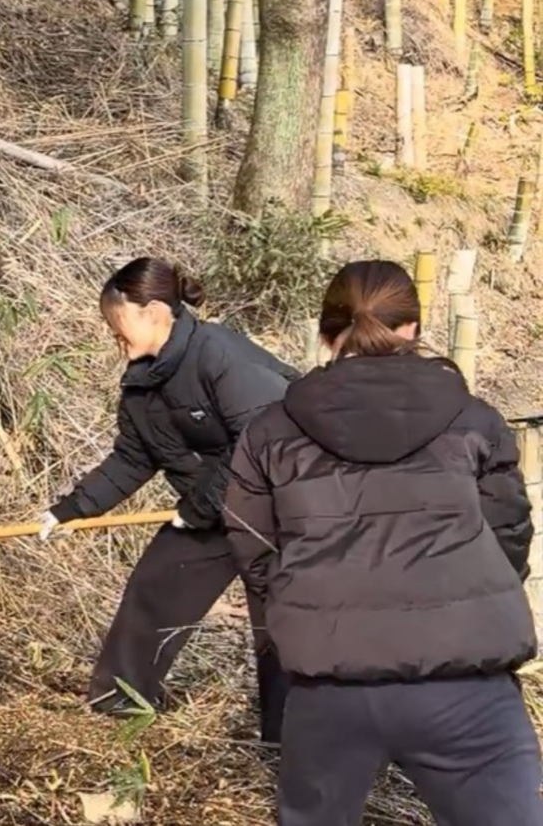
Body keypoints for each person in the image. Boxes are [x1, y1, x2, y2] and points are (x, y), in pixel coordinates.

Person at [225, 260, 543, 826]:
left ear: (326, 334)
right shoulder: (474, 420)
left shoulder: (270, 431)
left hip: (329, 684)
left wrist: (305, 608)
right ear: (413, 328)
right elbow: (509, 531)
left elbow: (254, 545)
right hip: (465, 679)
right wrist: (470, 599)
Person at [40, 257, 298, 743]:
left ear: (156, 312)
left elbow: (263, 434)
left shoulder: (218, 353)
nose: (113, 334)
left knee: (285, 624)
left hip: (281, 508)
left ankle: (293, 737)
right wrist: (72, 508)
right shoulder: (142, 382)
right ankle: (121, 701)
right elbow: (133, 457)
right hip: (212, 509)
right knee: (157, 585)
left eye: (119, 322)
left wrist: (199, 506)